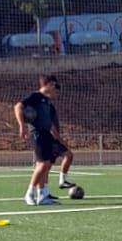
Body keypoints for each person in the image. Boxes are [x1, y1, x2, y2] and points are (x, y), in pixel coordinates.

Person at [14, 74, 73, 206]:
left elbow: (49, 123)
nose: (56, 89)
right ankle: (29, 193)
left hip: (46, 134)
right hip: (38, 133)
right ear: (50, 84)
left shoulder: (46, 101)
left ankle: (43, 195)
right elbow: (18, 106)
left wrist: (58, 138)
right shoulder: (36, 96)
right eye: (55, 86)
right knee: (42, 164)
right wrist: (22, 125)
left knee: (47, 164)